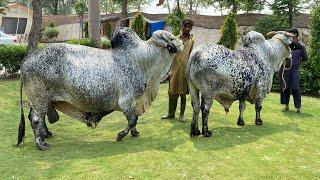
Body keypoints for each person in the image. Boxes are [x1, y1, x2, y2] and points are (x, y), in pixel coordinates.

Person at [161, 19, 194, 122]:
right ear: (182, 27)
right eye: (186, 26)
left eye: (189, 27)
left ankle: (182, 115)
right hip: (174, 69)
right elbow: (170, 54)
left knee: (183, 93)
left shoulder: (192, 41)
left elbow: (190, 54)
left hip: (185, 69)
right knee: (172, 92)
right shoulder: (175, 39)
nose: (187, 29)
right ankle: (170, 113)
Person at [278, 28, 307, 114]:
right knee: (285, 88)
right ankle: (286, 106)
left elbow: (305, 58)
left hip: (294, 71)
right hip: (285, 70)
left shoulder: (301, 46)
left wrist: (297, 64)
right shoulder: (286, 45)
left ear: (294, 35)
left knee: (296, 89)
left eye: (290, 34)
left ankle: (298, 108)